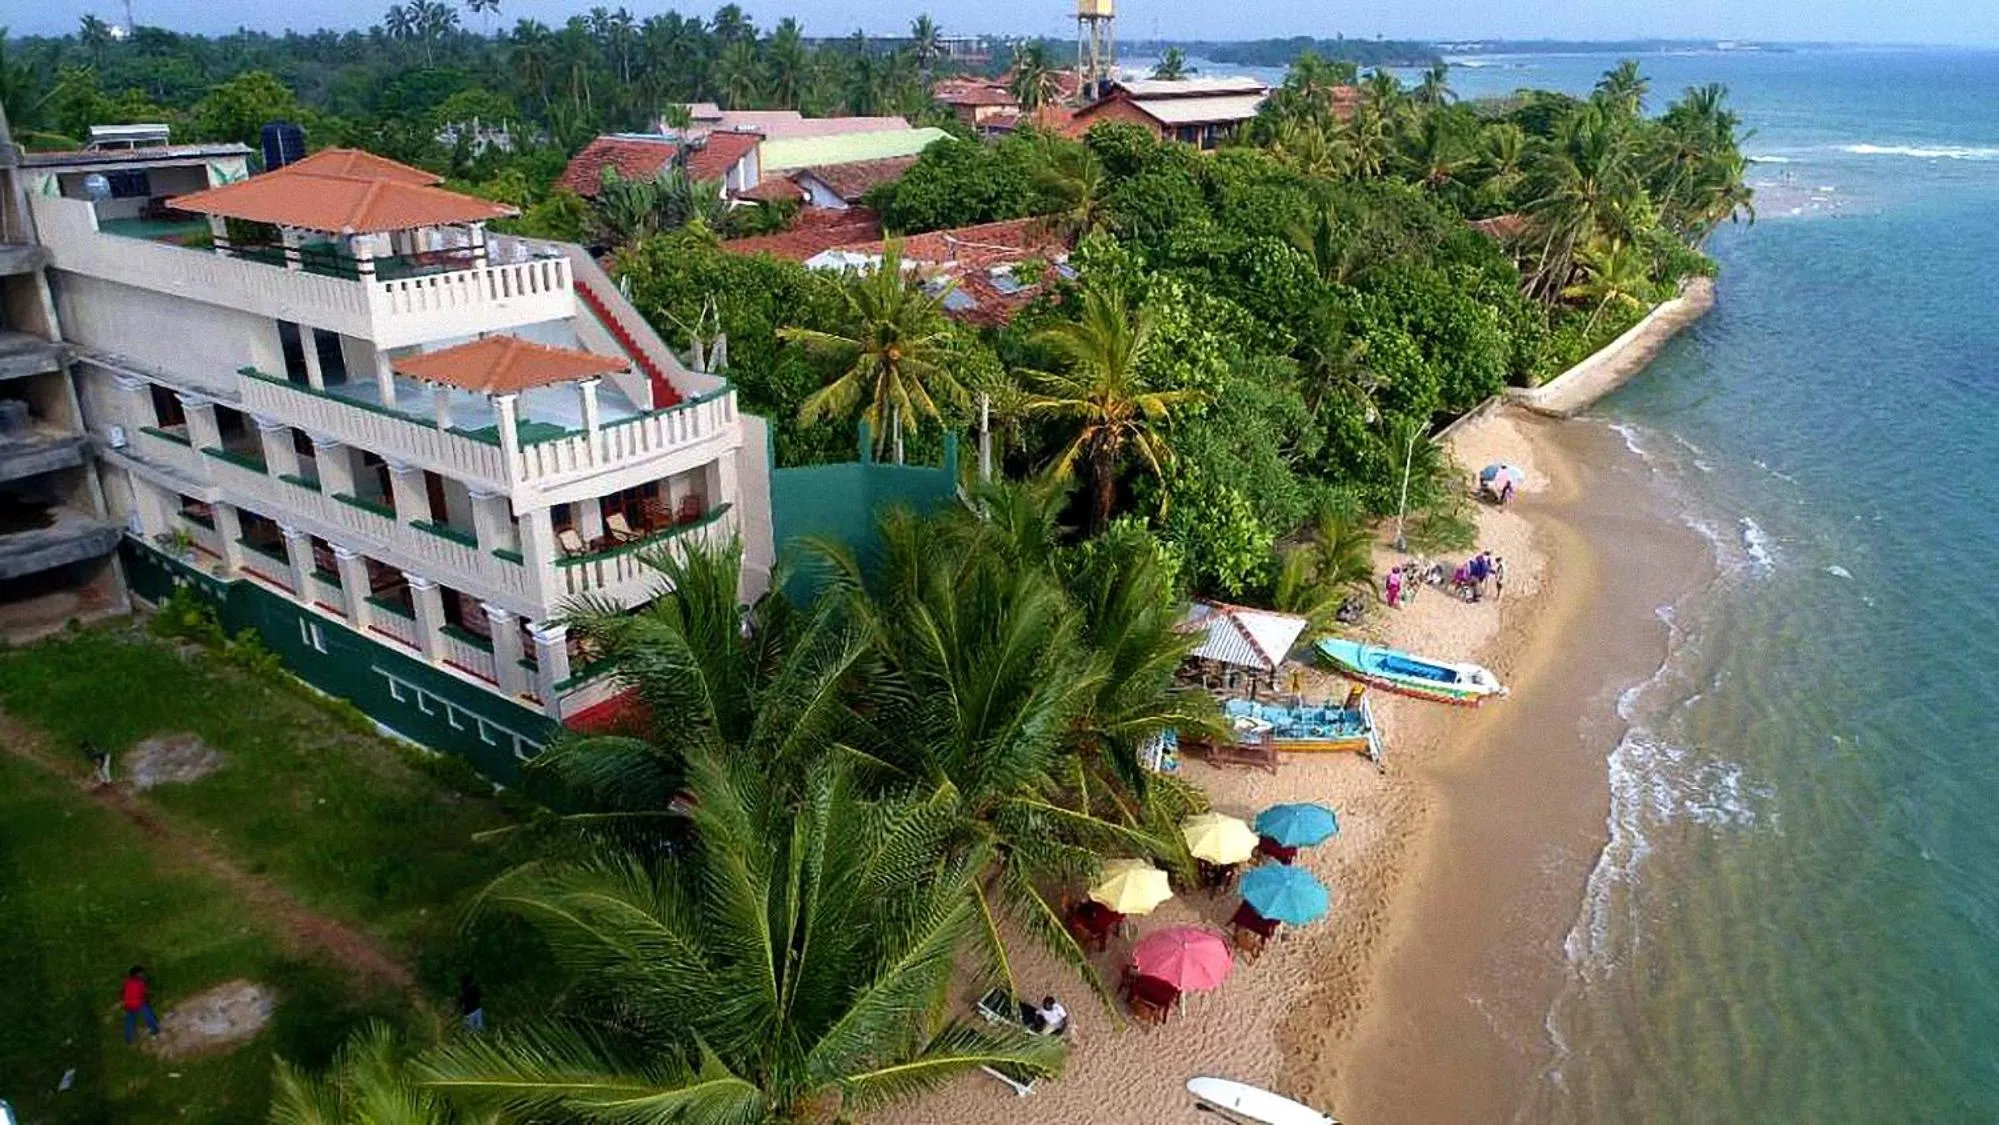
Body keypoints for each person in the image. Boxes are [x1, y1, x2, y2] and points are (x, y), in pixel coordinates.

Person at [122, 966, 159, 1044]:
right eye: (142, 973)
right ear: (137, 974)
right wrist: (150, 996)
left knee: (129, 1021)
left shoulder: (127, 982)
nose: (143, 974)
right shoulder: (140, 982)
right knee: (148, 1014)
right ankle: (154, 1029)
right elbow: (145, 992)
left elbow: (125, 992)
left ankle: (128, 1038)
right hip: (139, 1002)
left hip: (128, 1004)